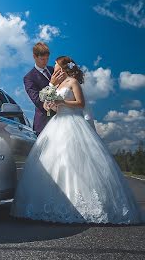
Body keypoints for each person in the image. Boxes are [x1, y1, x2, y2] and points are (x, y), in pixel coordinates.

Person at [12, 56, 141, 224]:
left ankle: (86, 206)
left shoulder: (73, 82)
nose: (55, 70)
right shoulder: (57, 85)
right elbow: (46, 105)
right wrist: (50, 104)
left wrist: (61, 101)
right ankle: (54, 205)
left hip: (73, 123)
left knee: (76, 162)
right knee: (53, 161)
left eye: (58, 67)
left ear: (66, 68)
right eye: (55, 68)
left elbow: (80, 103)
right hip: (56, 123)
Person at [23, 41, 66, 136]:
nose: (45, 62)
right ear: (34, 56)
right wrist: (52, 85)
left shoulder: (54, 69)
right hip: (44, 123)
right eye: (42, 59)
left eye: (47, 59)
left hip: (64, 119)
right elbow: (38, 100)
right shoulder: (29, 78)